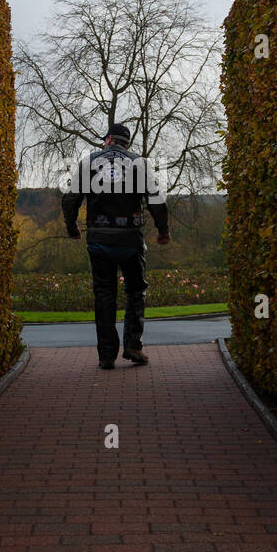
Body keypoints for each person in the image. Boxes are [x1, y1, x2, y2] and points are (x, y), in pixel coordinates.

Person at [61, 123, 170, 370]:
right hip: (130, 239)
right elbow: (155, 199)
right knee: (135, 291)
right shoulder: (138, 164)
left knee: (104, 295)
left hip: (99, 240)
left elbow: (70, 199)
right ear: (126, 143)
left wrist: (72, 227)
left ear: (109, 139)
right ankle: (133, 346)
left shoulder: (88, 162)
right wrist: (163, 230)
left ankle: (106, 355)